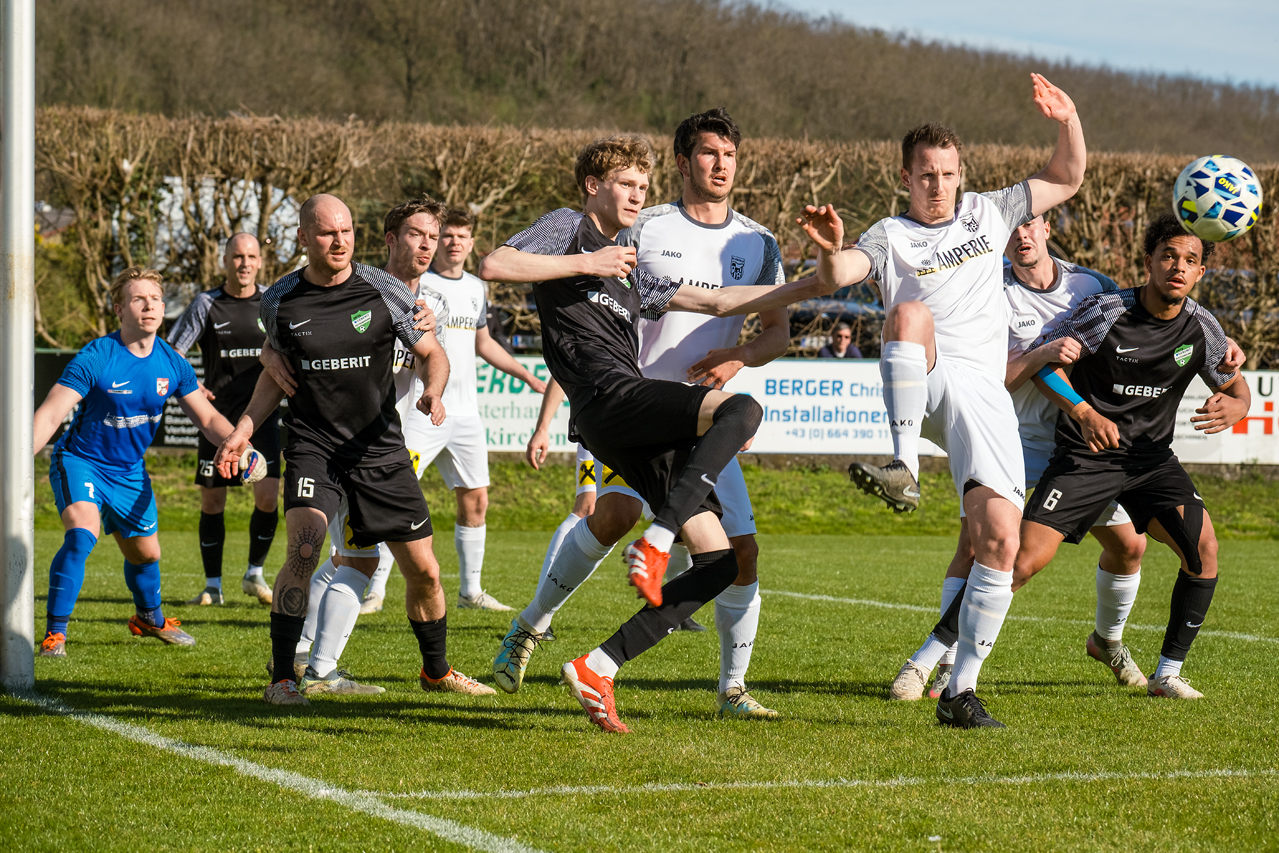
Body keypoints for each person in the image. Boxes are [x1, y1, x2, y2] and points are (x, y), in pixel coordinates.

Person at [480, 133, 843, 732]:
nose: (636, 195)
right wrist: (587, 262)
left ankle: (599, 666)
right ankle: (654, 540)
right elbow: (495, 264)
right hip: (609, 400)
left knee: (721, 563)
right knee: (739, 412)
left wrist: (818, 281)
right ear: (592, 186)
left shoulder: (630, 270)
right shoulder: (570, 228)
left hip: (637, 417)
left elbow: (721, 302)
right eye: (626, 184)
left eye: (642, 187)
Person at [822, 73, 1086, 728]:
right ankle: (903, 465)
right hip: (930, 373)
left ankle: (959, 691)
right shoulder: (889, 233)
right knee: (909, 313)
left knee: (998, 540)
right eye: (925, 175)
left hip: (987, 394)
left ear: (960, 173)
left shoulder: (990, 211)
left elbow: (1067, 176)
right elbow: (844, 271)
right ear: (905, 178)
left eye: (946, 173)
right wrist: (830, 251)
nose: (937, 185)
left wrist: (1068, 118)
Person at [215, 193, 489, 705]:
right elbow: (277, 370)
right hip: (313, 447)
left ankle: (436, 671)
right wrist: (243, 429)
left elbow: (433, 353)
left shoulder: (385, 290)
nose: (339, 241)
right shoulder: (279, 300)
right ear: (303, 238)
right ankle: (283, 678)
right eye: (326, 233)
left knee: (424, 571)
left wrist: (433, 390)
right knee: (305, 550)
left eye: (345, 231)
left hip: (379, 448)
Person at [1015, 212, 1249, 699]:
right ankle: (941, 655)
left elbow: (1235, 386)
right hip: (1087, 456)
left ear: (1201, 271)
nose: (1178, 267)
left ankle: (1167, 674)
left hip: (1150, 463)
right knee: (1022, 561)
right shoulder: (1107, 311)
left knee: (1203, 550)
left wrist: (1239, 405)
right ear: (1148, 262)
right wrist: (1083, 412)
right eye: (1168, 256)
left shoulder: (1203, 325)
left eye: (1189, 260)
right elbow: (1045, 364)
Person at [34, 267, 238, 657]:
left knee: (147, 555)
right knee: (82, 531)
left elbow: (208, 419)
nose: (149, 306)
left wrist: (238, 444)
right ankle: (55, 635)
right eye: (138, 299)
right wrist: (13, 460)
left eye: (156, 299)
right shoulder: (97, 356)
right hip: (81, 461)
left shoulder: (173, 363)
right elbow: (50, 414)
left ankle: (149, 618)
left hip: (129, 473)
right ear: (119, 309)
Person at [354, 207, 548, 615]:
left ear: (473, 242)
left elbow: (484, 343)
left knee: (475, 501)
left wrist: (527, 375)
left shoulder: (476, 287)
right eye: (447, 236)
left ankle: (470, 591)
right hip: (421, 412)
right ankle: (374, 589)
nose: (453, 242)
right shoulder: (418, 286)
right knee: (392, 497)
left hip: (464, 413)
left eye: (462, 236)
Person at [168, 233, 282, 607]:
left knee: (268, 497)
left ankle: (254, 574)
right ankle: (212, 586)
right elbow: (172, 353)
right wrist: (192, 384)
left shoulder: (273, 301)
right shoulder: (207, 303)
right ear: (225, 261)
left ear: (260, 262)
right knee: (213, 501)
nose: (244, 263)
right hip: (217, 421)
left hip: (262, 417)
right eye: (237, 256)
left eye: (251, 257)